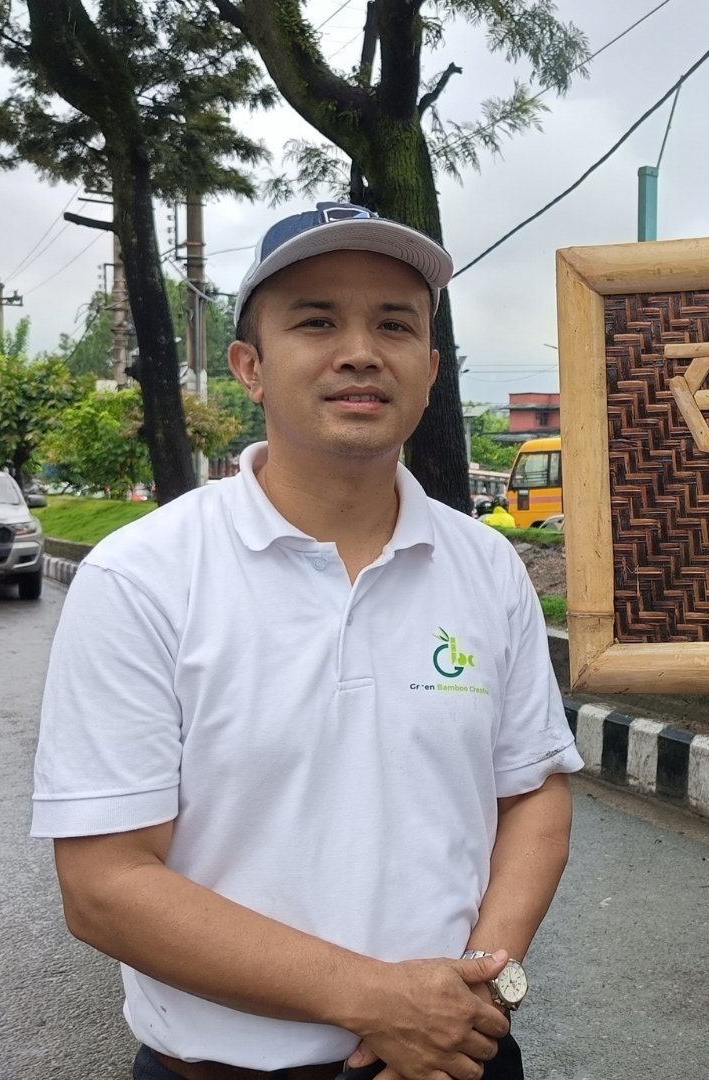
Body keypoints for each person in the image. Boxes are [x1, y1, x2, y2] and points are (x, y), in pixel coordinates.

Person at [32, 202, 583, 1080]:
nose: (360, 350)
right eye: (317, 320)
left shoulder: (486, 567)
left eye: (394, 324)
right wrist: (375, 999)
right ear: (250, 366)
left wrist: (480, 991)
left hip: (455, 1062)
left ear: (431, 369)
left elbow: (532, 797)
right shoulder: (144, 577)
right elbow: (104, 885)